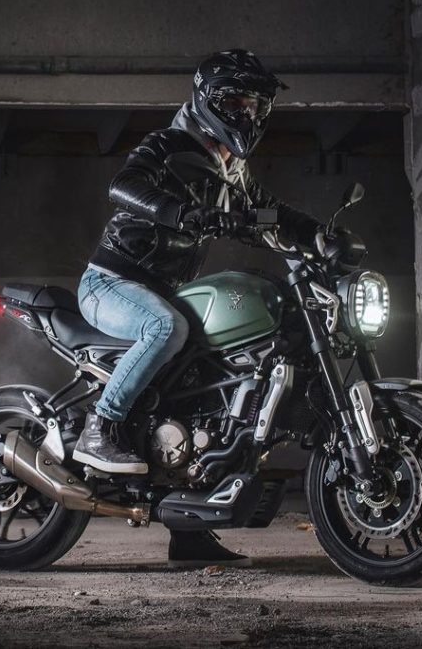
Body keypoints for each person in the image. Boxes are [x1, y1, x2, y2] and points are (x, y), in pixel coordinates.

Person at [71, 49, 323, 567]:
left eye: (256, 106)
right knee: (165, 327)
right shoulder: (168, 145)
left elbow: (272, 214)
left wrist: (320, 235)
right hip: (113, 282)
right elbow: (123, 186)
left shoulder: (232, 170)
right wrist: (183, 212)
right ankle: (101, 427)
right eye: (237, 103)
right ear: (209, 100)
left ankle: (189, 533)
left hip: (163, 289)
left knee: (205, 393)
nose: (248, 115)